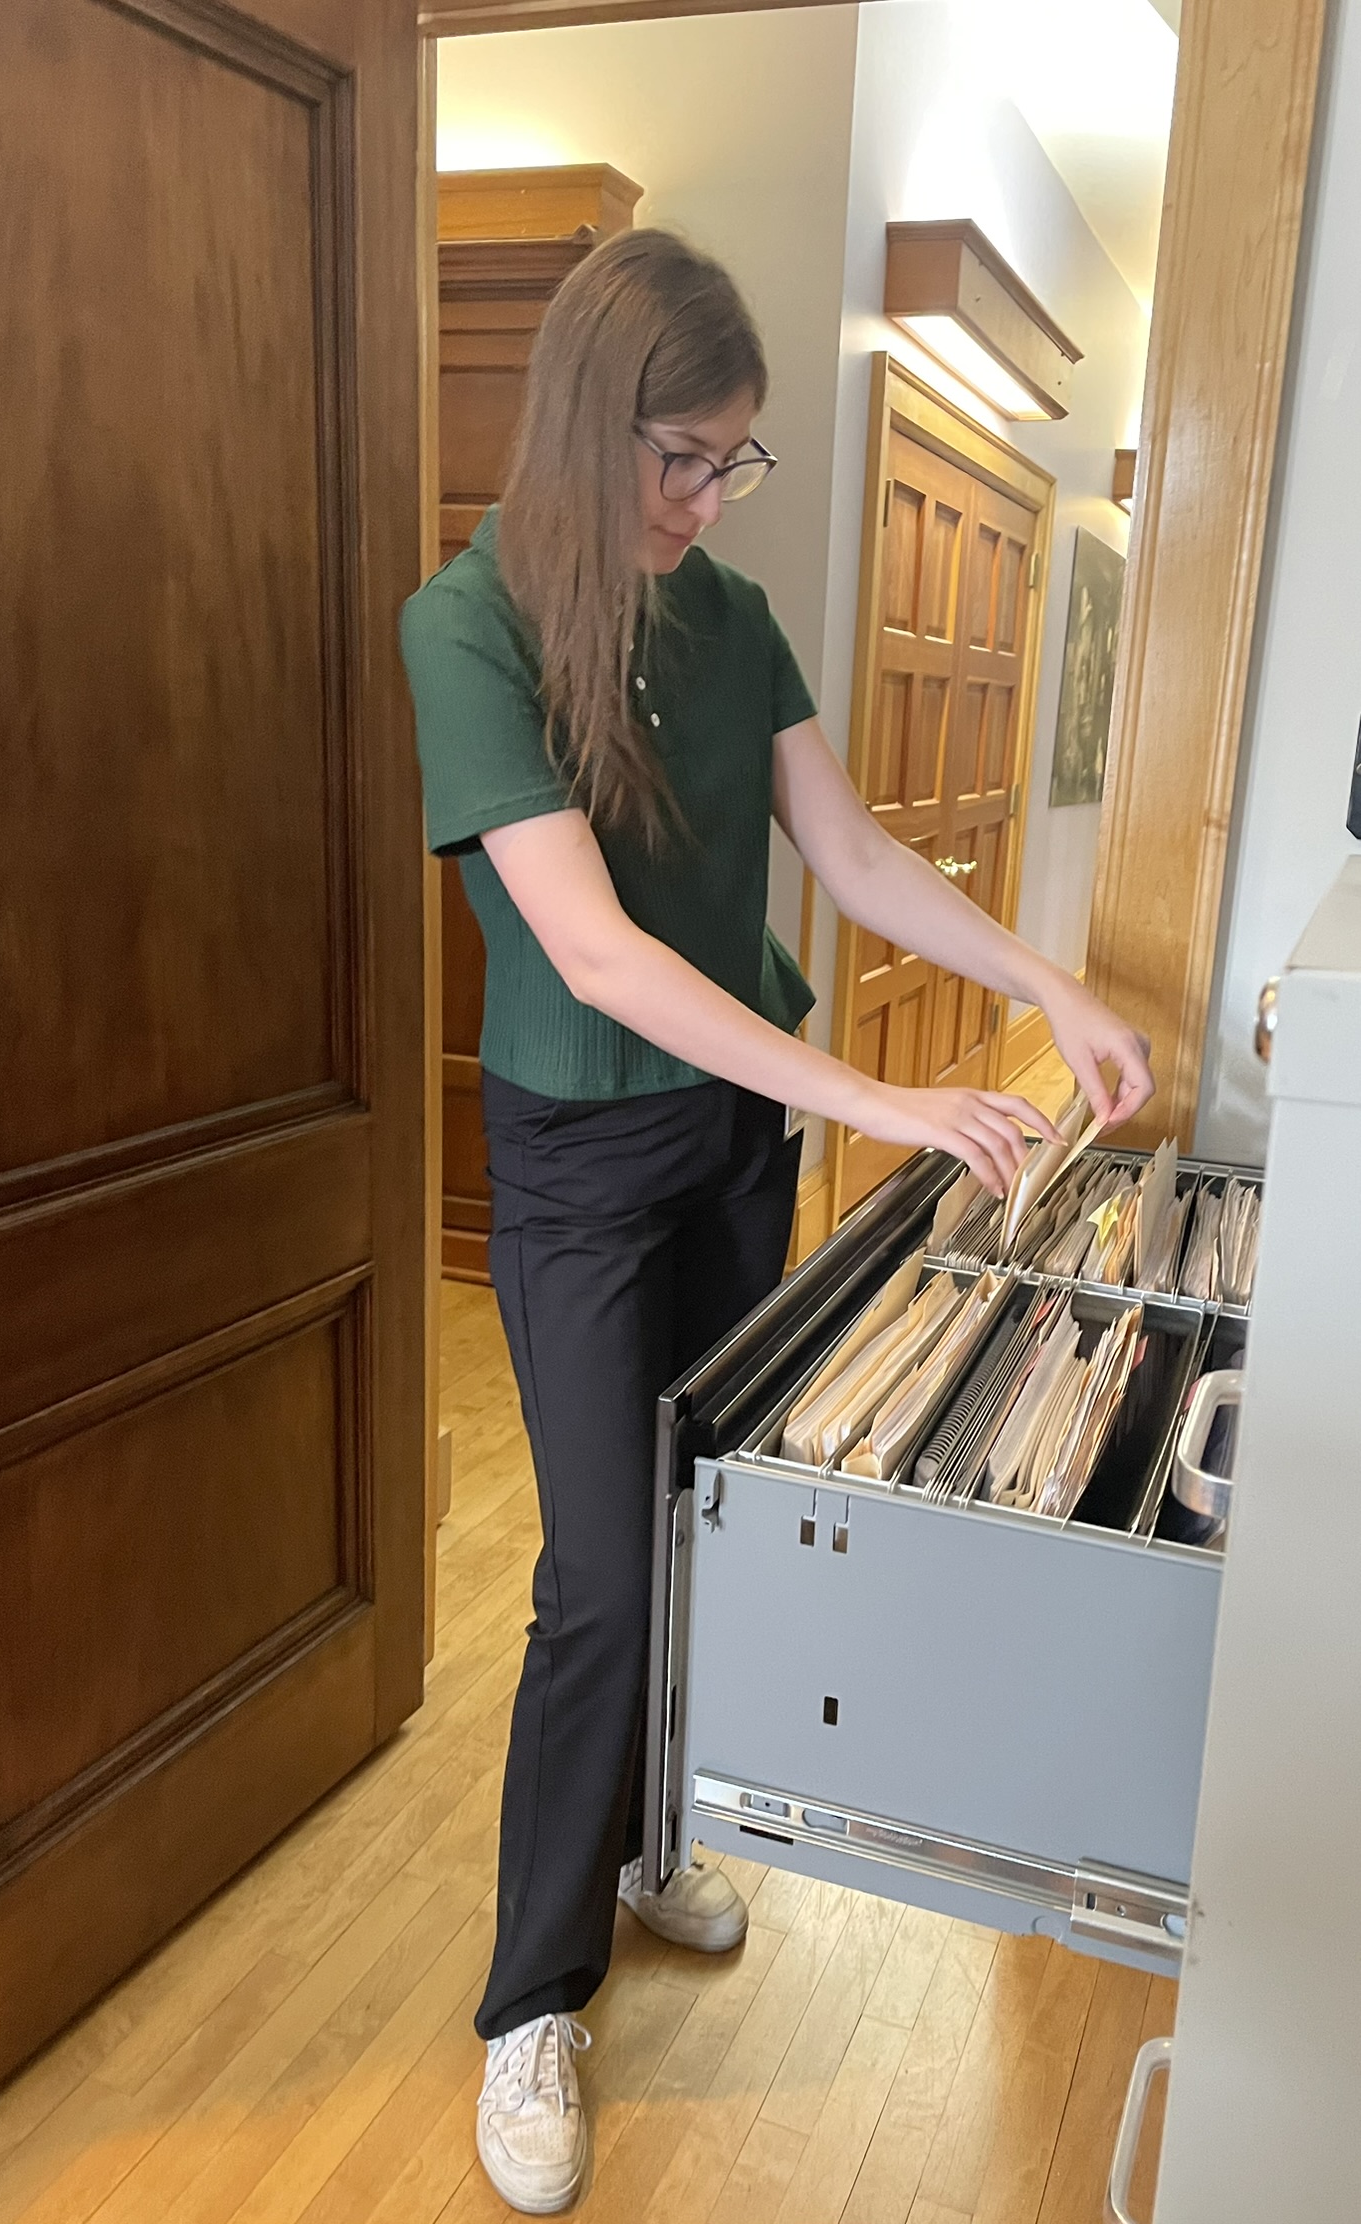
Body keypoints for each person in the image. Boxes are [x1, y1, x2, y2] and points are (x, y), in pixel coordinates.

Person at [401, 228, 1152, 2215]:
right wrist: (885, 1098)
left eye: (731, 460)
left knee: (701, 1518)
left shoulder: (727, 615)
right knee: (593, 1576)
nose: (704, 495)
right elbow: (596, 949)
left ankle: (652, 1842)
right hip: (574, 1160)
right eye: (680, 455)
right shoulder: (463, 625)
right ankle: (530, 2002)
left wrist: (1046, 978)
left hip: (734, 1138)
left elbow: (839, 847)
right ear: (585, 422)